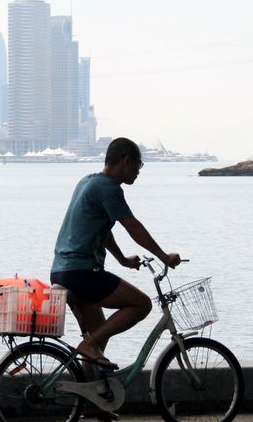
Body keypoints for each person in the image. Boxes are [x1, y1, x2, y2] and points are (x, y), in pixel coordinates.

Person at [51, 137, 181, 372]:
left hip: (62, 271)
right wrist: (164, 256)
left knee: (99, 335)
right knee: (141, 304)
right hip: (82, 273)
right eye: (139, 166)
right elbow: (133, 227)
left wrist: (122, 260)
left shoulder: (87, 181)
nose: (139, 173)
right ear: (126, 161)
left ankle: (92, 405)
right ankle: (87, 345)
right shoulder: (109, 188)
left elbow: (102, 228)